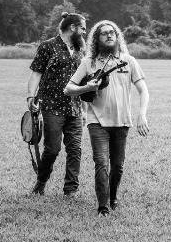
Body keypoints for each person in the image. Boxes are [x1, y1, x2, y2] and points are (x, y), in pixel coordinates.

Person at [64, 20, 149, 217]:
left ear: (117, 37)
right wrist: (87, 87)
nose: (109, 35)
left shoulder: (128, 61)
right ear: (97, 38)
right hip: (97, 122)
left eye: (112, 32)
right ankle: (103, 206)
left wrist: (142, 114)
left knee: (117, 166)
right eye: (104, 33)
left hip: (122, 121)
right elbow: (68, 89)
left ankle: (113, 197)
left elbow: (143, 91)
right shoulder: (89, 63)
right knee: (101, 163)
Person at [26, 12, 87, 198]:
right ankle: (41, 183)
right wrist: (30, 97)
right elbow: (36, 73)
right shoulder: (48, 46)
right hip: (52, 106)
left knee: (75, 150)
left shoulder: (80, 49)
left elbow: (83, 81)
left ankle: (70, 190)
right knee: (52, 150)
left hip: (75, 107)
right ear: (72, 27)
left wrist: (85, 110)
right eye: (83, 28)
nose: (85, 32)